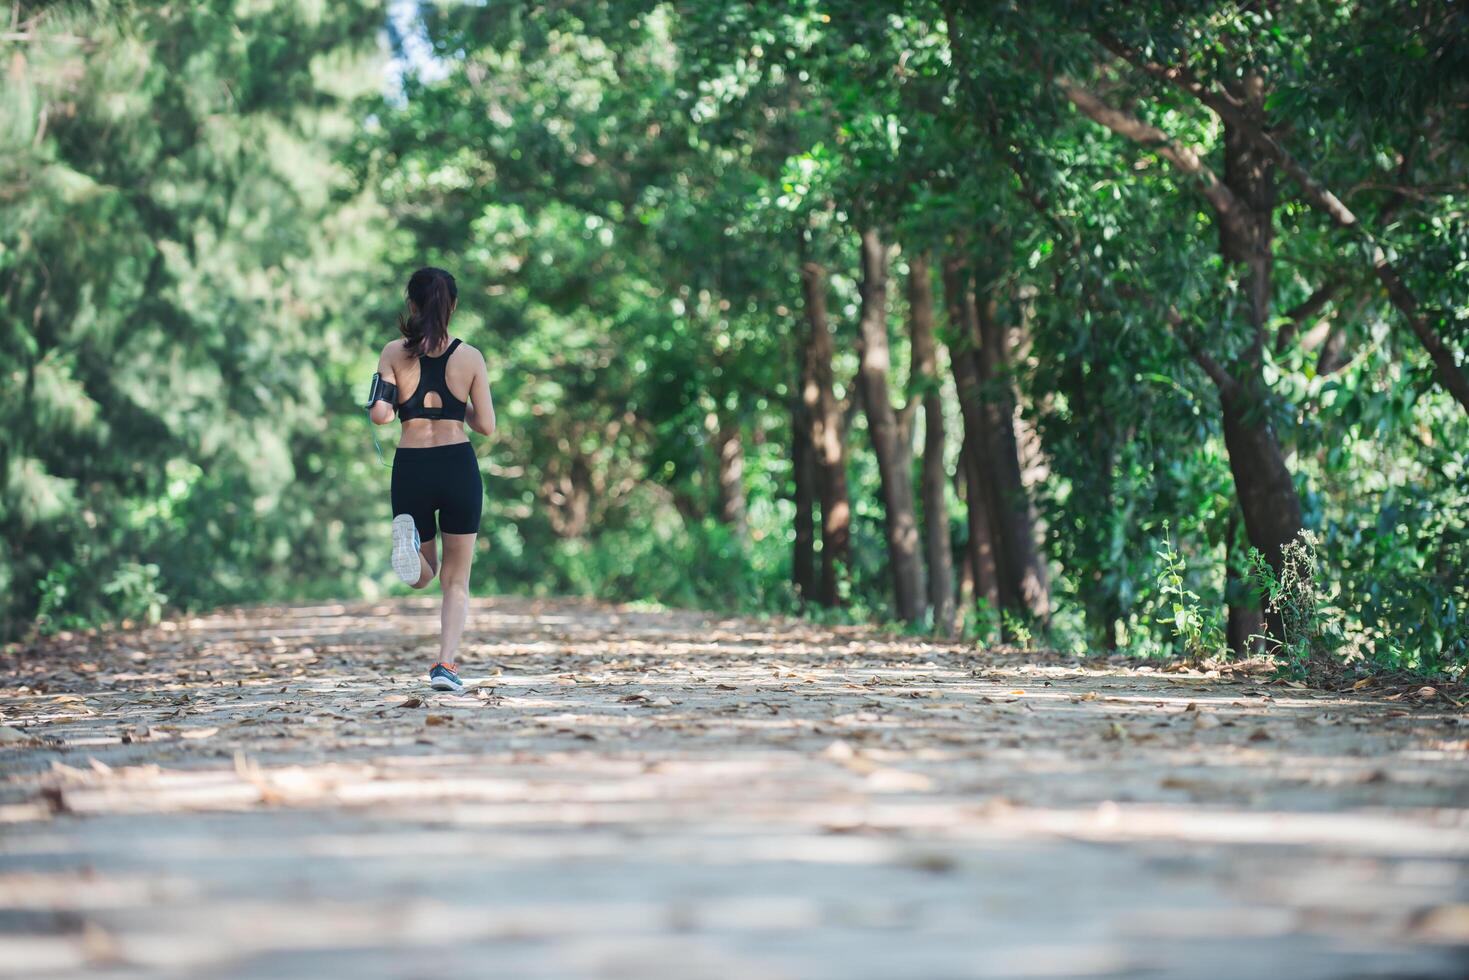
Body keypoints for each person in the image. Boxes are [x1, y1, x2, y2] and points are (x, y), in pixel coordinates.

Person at [368, 267, 495, 693]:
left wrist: (391, 394)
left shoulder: (392, 353)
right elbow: (488, 427)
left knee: (424, 574)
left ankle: (410, 551)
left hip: (412, 467)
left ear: (412, 305)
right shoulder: (471, 357)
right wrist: (459, 407)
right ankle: (445, 665)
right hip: (457, 465)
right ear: (452, 305)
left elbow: (380, 416)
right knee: (456, 581)